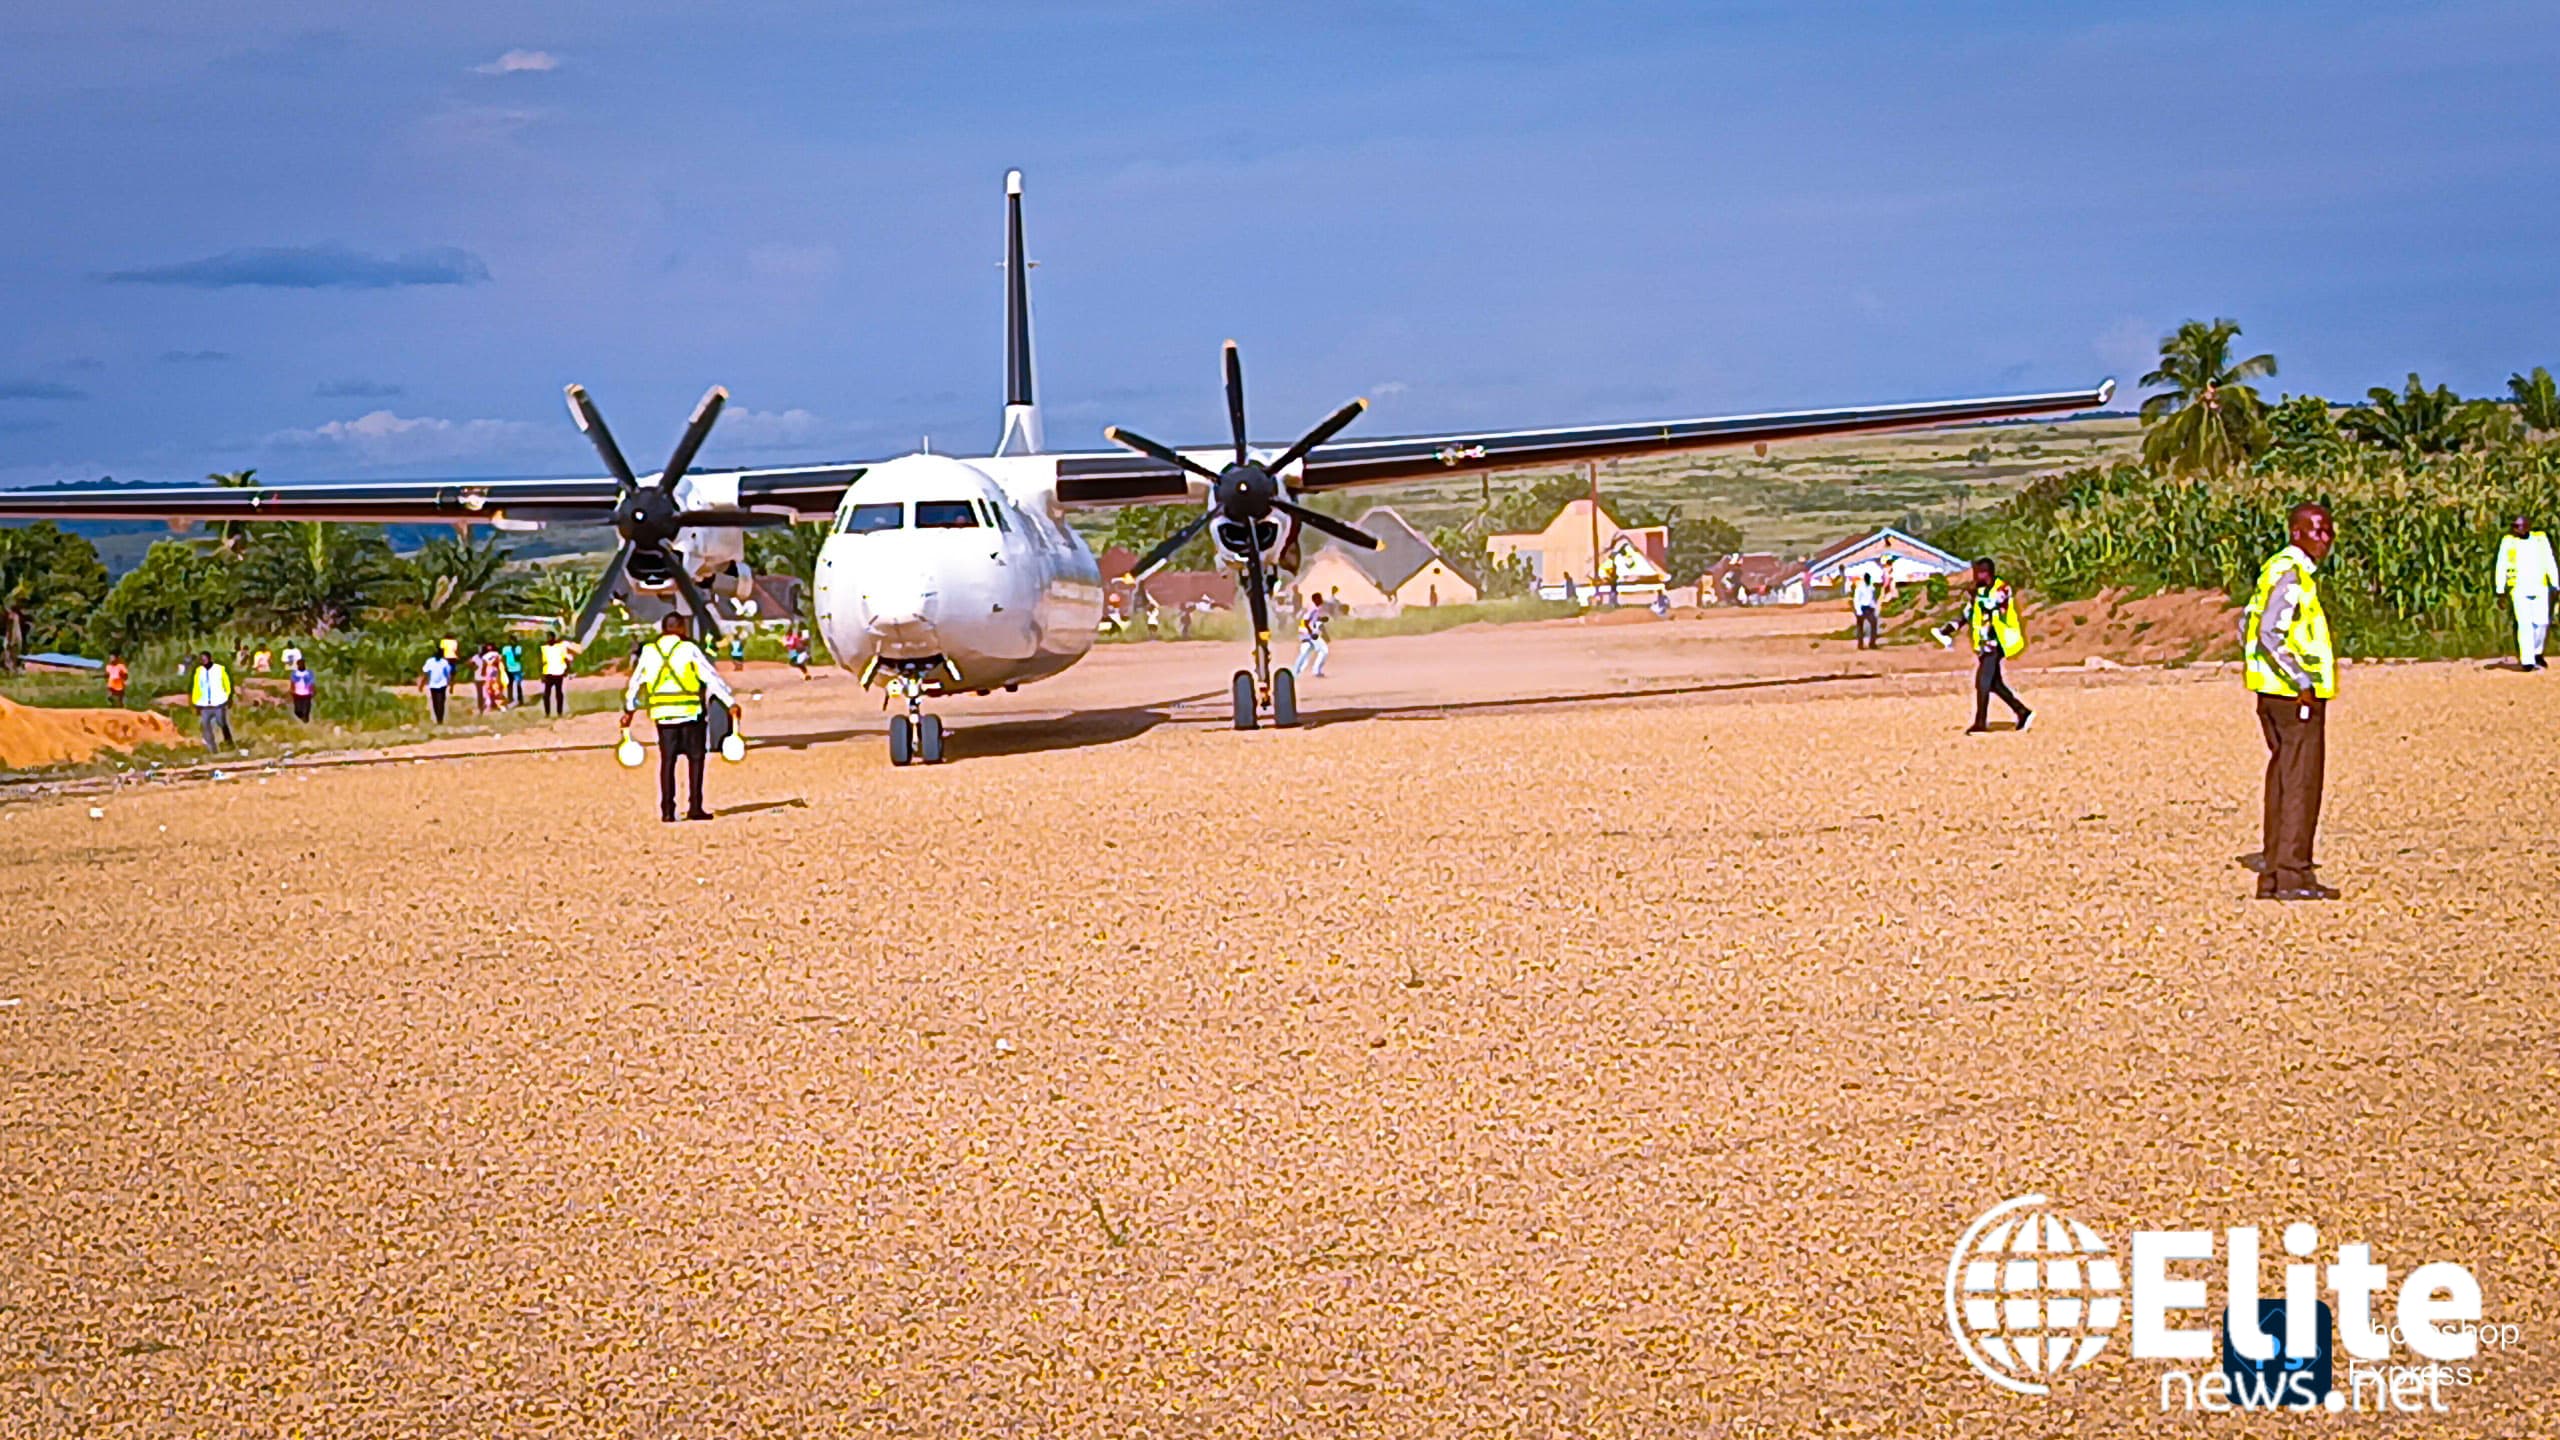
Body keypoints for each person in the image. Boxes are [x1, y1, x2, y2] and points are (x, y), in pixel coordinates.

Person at [2243, 503, 2339, 901]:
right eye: (2316, 531)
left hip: (2273, 689)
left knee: (2284, 778)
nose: (2325, 539)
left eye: (2329, 531)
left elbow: (2245, 622)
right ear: (2296, 533)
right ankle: (2293, 874)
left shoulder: (2276, 569)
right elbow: (2270, 632)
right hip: (2291, 693)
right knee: (2300, 782)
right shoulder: (2291, 572)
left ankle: (2276, 870)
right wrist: (2302, 679)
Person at [622, 613, 740, 822]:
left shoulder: (649, 652)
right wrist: (729, 702)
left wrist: (629, 710)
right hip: (690, 714)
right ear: (681, 628)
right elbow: (710, 677)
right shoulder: (689, 649)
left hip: (663, 716)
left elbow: (636, 682)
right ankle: (695, 806)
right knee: (696, 760)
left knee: (667, 762)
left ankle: (667, 810)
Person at [1933, 557, 2030, 733]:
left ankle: (1980, 722)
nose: (1976, 577)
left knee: (1982, 682)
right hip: (1984, 643)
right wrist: (1947, 629)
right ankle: (2022, 711)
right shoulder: (1980, 592)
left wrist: (1976, 595)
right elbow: (1967, 614)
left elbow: (1992, 606)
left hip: (1998, 640)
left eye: (1979, 573)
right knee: (1994, 684)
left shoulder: (2001, 588)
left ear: (1987, 573)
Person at [2493, 514, 2556, 671]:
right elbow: (2501, 565)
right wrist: (2500, 590)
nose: (2516, 529)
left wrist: (2555, 584)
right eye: (2514, 526)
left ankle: (2537, 652)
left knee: (2541, 622)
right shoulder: (2508, 542)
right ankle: (2527, 660)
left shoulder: (2540, 539)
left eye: (2519, 526)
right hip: (2519, 588)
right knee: (2524, 624)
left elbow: (2550, 561)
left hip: (2540, 587)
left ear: (2528, 526)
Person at [189, 650, 235, 751]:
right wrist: (195, 702)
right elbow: (196, 687)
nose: (203, 661)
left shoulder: (219, 669)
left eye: (205, 658)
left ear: (209, 658)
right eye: (201, 659)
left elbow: (227, 684)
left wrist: (229, 697)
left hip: (218, 702)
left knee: (221, 723)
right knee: (205, 725)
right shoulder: (198, 671)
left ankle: (228, 742)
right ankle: (212, 748)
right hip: (204, 704)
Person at [539, 631, 576, 716]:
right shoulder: (544, 648)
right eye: (547, 637)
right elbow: (541, 662)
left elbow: (566, 659)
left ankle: (559, 712)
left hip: (558, 673)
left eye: (550, 637)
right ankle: (547, 713)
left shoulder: (560, 647)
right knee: (546, 695)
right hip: (548, 673)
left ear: (553, 638)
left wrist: (567, 670)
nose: (548, 639)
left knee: (558, 693)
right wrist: (541, 674)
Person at [1294, 594, 1330, 678]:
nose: (1322, 600)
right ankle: (1316, 670)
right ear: (1316, 599)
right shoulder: (1313, 608)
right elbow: (1306, 621)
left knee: (1305, 653)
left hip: (1306, 633)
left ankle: (1296, 672)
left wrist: (1321, 619)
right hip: (1309, 634)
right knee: (1324, 650)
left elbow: (1312, 620)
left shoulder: (1315, 608)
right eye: (1320, 598)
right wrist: (1311, 633)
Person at [419, 649, 454, 725]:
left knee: (440, 702)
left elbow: (448, 675)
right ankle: (438, 718)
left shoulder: (444, 662)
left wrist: (450, 685)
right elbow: (425, 673)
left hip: (442, 684)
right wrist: (421, 684)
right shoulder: (430, 662)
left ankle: (440, 719)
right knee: (436, 702)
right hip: (433, 685)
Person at [1850, 570, 1882, 649]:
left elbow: (1872, 599)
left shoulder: (1871, 587)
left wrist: (1874, 608)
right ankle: (1860, 644)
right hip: (1862, 608)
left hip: (1869, 608)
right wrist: (1858, 611)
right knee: (1860, 627)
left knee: (1873, 623)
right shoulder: (1860, 587)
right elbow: (1856, 599)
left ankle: (1872, 643)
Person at [501, 640, 527, 706]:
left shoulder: (518, 648)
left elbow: (518, 658)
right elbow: (503, 658)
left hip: (517, 669)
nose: (512, 643)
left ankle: (520, 700)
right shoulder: (505, 648)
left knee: (518, 684)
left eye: (513, 641)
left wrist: (514, 650)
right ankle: (510, 698)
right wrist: (504, 666)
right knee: (509, 684)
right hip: (508, 668)